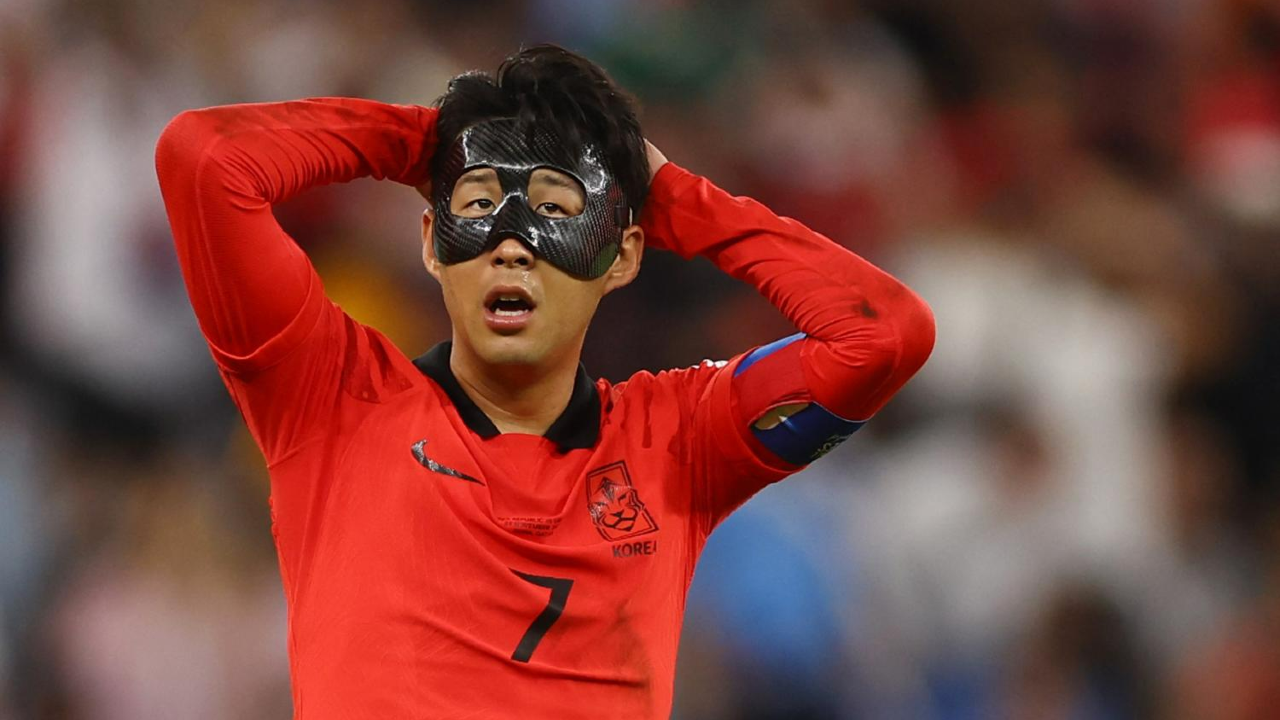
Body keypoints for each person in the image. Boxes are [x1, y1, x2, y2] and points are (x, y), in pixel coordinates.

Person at [154, 44, 934, 719]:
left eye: (556, 208)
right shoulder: (333, 399)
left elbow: (884, 334)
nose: (512, 242)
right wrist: (420, 143)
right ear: (431, 241)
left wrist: (678, 200)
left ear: (622, 256)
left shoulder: (678, 438)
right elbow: (204, 159)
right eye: (478, 203)